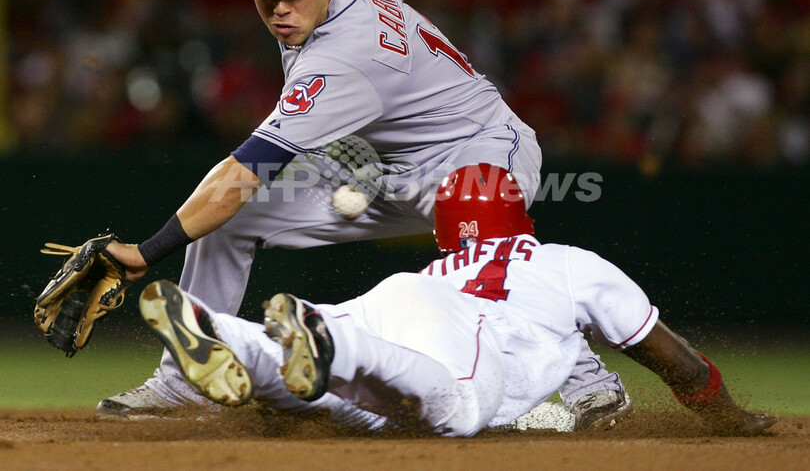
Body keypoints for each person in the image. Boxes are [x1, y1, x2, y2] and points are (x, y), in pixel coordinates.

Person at [96, 0, 624, 426]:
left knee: (487, 256)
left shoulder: (345, 57)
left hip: (476, 149)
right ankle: (185, 385)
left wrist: (145, 252)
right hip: (381, 168)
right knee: (227, 221)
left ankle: (589, 380)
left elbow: (246, 170)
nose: (280, 7)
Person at [136, 164, 776, 437]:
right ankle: (328, 345)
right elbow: (672, 360)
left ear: (447, 228)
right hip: (463, 327)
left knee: (366, 407)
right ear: (519, 216)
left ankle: (235, 337)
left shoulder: (443, 263)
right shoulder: (564, 262)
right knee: (457, 408)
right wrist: (729, 417)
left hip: (397, 297)